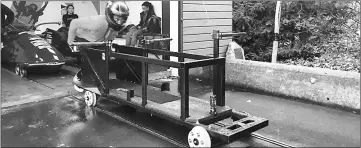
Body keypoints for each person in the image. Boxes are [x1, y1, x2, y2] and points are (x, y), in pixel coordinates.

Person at [68, 1, 129, 82]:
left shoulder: (117, 26)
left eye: (122, 19)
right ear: (110, 15)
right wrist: (70, 42)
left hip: (100, 41)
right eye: (117, 19)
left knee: (103, 62)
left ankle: (100, 82)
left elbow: (109, 37)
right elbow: (74, 23)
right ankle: (85, 79)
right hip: (85, 40)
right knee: (91, 62)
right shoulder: (97, 23)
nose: (119, 22)